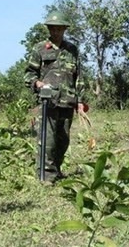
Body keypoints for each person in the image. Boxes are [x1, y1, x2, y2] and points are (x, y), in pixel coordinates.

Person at [24, 10, 85, 183]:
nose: (55, 32)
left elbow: (78, 76)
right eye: (52, 28)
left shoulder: (72, 49)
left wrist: (79, 101)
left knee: (63, 139)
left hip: (68, 101)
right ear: (48, 29)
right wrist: (37, 84)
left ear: (65, 29)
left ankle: (56, 169)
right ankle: (46, 175)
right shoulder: (40, 49)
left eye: (59, 28)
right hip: (48, 101)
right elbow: (29, 74)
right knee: (47, 139)